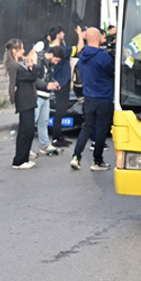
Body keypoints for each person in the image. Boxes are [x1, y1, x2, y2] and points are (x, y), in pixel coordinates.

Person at [71, 27, 115, 172]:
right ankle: (97, 161)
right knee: (101, 130)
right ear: (97, 38)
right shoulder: (103, 56)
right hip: (104, 97)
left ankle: (76, 157)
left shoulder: (83, 55)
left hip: (89, 97)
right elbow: (112, 71)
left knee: (87, 127)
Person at [5, 39, 38, 170]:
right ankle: (19, 160)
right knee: (26, 130)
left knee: (27, 130)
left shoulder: (17, 64)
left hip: (27, 98)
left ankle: (22, 159)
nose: (24, 51)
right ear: (14, 51)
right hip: (24, 99)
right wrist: (33, 64)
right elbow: (31, 77)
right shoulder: (13, 65)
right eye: (21, 49)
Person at [48, 44, 73, 148]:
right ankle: (56, 138)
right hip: (60, 85)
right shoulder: (55, 51)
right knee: (59, 112)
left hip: (62, 84)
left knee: (62, 111)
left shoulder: (60, 50)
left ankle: (59, 136)